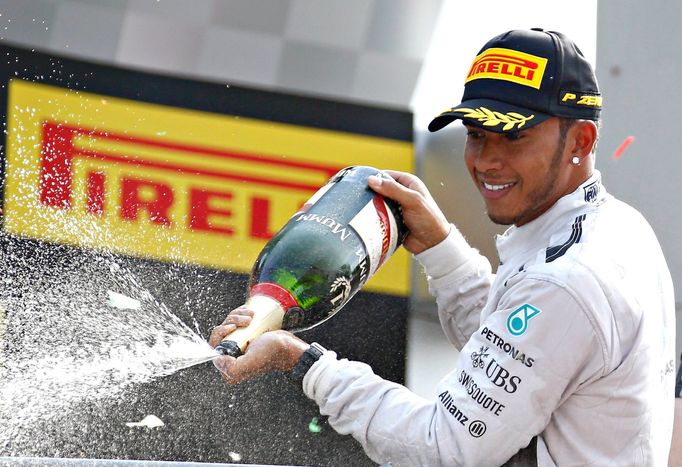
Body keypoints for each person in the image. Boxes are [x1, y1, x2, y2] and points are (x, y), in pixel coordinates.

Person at [209, 29, 676, 466]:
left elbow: (444, 447)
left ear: (582, 138)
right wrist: (439, 247)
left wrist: (301, 361)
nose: (487, 160)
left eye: (514, 135)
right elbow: (526, 355)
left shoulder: (566, 280)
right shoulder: (617, 225)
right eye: (476, 134)